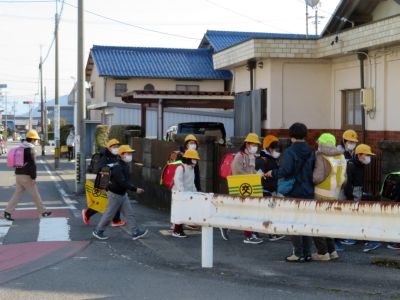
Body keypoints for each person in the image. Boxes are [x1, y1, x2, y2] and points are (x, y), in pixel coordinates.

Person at [266, 123, 315, 262]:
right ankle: (307, 253)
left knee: (294, 222)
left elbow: (286, 171)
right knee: (306, 222)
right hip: (309, 190)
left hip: (294, 191)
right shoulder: (311, 151)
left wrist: (273, 172)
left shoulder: (289, 152)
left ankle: (298, 253)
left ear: (291, 135)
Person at [92, 145, 148, 240]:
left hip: (121, 194)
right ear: (121, 155)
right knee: (109, 214)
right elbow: (122, 182)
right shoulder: (118, 167)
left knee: (129, 213)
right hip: (115, 194)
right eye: (128, 153)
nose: (130, 155)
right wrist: (135, 189)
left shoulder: (123, 165)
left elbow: (124, 182)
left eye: (131, 153)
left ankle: (135, 232)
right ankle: (98, 231)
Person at [311, 133, 347, 261]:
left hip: (320, 194)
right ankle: (332, 251)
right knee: (328, 223)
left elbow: (317, 177)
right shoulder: (341, 156)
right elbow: (344, 179)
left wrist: (310, 179)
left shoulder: (321, 156)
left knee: (317, 223)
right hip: (335, 194)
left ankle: (322, 253)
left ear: (322, 144)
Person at [3, 129, 52, 221]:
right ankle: (43, 212)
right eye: (36, 139)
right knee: (35, 195)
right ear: (32, 140)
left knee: (17, 194)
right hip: (26, 176)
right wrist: (33, 177)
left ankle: (7, 212)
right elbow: (32, 165)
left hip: (18, 175)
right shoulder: (31, 150)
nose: (36, 141)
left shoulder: (20, 147)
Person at [343, 144, 382, 252]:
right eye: (366, 155)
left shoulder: (360, 164)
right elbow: (348, 182)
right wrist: (350, 196)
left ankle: (354, 238)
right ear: (359, 155)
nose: (368, 157)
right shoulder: (351, 165)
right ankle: (352, 237)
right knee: (353, 216)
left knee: (356, 216)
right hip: (353, 193)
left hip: (357, 191)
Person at [82, 139, 125, 226]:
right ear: (109, 148)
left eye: (117, 147)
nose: (116, 148)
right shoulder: (105, 157)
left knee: (114, 201)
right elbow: (100, 169)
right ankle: (87, 214)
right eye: (114, 147)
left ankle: (116, 220)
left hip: (114, 182)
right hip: (104, 183)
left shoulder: (117, 156)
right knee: (103, 202)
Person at [230, 132, 263, 244]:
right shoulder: (240, 156)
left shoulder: (251, 156)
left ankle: (250, 233)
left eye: (256, 145)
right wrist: (252, 176)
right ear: (247, 144)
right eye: (253, 144)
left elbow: (252, 170)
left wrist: (258, 174)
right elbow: (236, 171)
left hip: (250, 186)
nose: (255, 147)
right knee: (246, 212)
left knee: (249, 212)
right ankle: (248, 236)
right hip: (243, 187)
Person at [255, 135, 285, 242]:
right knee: (267, 212)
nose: (276, 151)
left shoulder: (272, 159)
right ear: (268, 148)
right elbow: (259, 175)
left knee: (268, 212)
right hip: (265, 190)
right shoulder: (262, 160)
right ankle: (271, 234)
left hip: (271, 190)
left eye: (277, 149)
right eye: (274, 148)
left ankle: (269, 233)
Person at [171, 148, 200, 238]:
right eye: (194, 159)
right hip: (179, 194)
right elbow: (177, 180)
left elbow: (192, 183)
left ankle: (179, 229)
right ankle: (176, 231)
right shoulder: (181, 167)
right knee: (179, 213)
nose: (195, 161)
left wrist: (195, 193)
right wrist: (182, 192)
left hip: (187, 194)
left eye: (196, 159)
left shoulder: (191, 169)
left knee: (182, 212)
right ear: (188, 158)